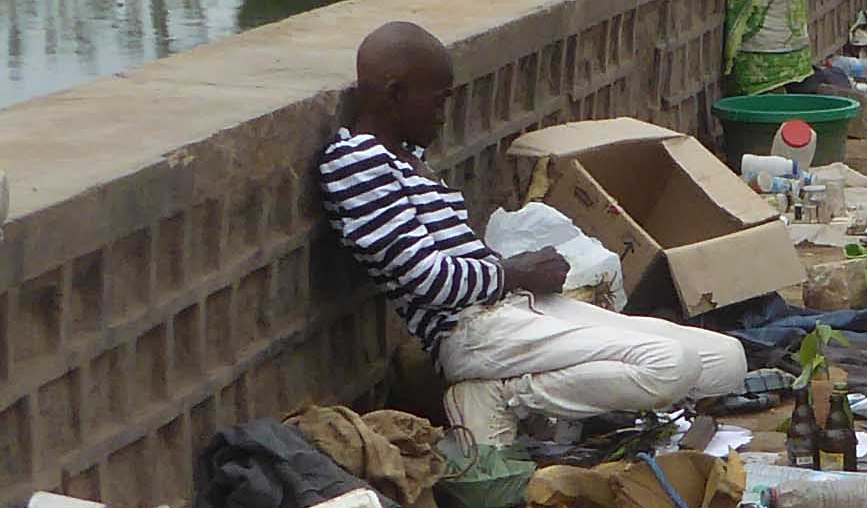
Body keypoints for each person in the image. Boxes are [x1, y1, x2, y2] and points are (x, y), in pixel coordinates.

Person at [317, 22, 746, 436]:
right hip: (469, 331)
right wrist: (515, 272)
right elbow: (429, 281)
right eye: (438, 101)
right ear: (395, 95)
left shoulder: (406, 157)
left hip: (510, 305)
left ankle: (521, 389)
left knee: (727, 359)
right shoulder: (357, 163)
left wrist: (517, 278)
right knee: (671, 365)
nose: (443, 117)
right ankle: (504, 396)